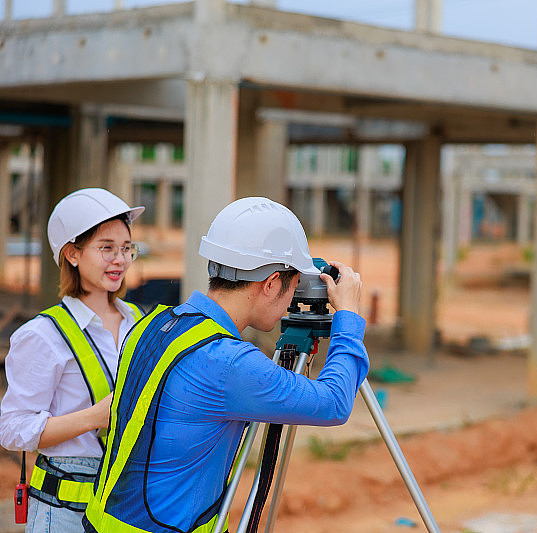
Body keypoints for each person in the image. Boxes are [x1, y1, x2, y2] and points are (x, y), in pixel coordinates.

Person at [83, 197, 369, 533]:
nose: (293, 298)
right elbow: (334, 403)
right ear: (272, 283)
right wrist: (348, 316)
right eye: (293, 286)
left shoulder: (151, 324)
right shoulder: (228, 363)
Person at [0, 188, 146, 533]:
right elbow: (12, 429)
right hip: (64, 514)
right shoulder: (43, 335)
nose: (120, 260)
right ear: (73, 254)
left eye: (126, 248)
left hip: (126, 509)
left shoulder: (139, 323)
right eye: (106, 248)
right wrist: (96, 416)